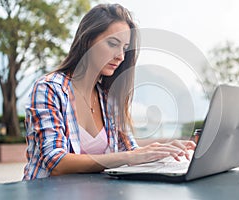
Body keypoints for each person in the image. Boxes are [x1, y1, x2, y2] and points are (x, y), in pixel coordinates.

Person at [23, 3, 196, 180]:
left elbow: (130, 152)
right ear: (87, 40)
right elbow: (56, 162)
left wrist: (163, 152)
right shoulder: (50, 89)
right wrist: (131, 157)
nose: (121, 56)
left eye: (124, 47)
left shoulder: (108, 98)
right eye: (113, 43)